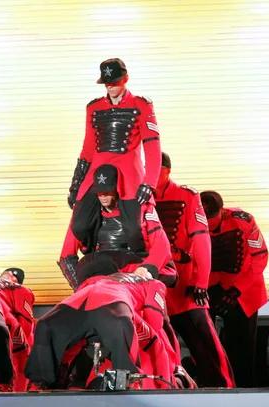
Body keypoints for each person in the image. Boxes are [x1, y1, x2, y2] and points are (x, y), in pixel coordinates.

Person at [26, 255, 179, 390]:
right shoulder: (151, 284)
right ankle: (127, 382)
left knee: (46, 325)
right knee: (47, 325)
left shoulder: (125, 279)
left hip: (86, 298)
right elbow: (155, 321)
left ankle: (40, 381)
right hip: (109, 301)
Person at [64, 58, 162, 263]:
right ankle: (93, 256)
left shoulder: (142, 105)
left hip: (129, 172)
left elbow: (152, 147)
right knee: (79, 225)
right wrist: (76, 185)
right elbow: (88, 148)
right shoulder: (93, 107)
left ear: (125, 78)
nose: (110, 86)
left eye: (115, 81)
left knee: (134, 229)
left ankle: (143, 270)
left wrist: (149, 183)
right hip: (97, 170)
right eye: (107, 82)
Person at [154, 153, 235, 388]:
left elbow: (201, 240)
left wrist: (201, 282)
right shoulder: (138, 197)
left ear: (167, 171)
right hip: (154, 286)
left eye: (155, 168)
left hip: (186, 285)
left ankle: (225, 388)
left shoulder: (188, 196)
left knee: (205, 342)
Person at [59, 163, 176, 290]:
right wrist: (81, 287)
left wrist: (146, 269)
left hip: (135, 268)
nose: (102, 195)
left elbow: (161, 246)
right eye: (99, 192)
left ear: (117, 188)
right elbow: (66, 256)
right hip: (102, 270)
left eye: (107, 191)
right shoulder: (85, 214)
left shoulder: (139, 208)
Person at [200, 190, 269, 388]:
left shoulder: (243, 221)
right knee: (206, 345)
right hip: (209, 287)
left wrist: (237, 290)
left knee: (243, 348)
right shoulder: (192, 221)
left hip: (244, 288)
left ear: (222, 211)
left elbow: (261, 256)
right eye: (206, 218)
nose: (210, 223)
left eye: (212, 217)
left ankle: (246, 392)